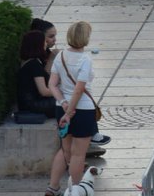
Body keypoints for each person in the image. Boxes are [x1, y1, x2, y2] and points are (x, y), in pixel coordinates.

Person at [46, 21, 98, 196]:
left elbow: (52, 85)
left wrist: (63, 103)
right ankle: (76, 190)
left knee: (64, 149)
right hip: (82, 110)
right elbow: (79, 88)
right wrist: (70, 112)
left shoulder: (60, 56)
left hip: (62, 109)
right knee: (78, 154)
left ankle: (52, 187)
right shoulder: (85, 59)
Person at [17, 30, 56, 118]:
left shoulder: (29, 61)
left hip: (28, 104)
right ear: (37, 44)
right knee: (70, 102)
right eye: (44, 42)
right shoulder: (34, 64)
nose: (46, 44)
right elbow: (44, 92)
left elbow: (45, 76)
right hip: (32, 105)